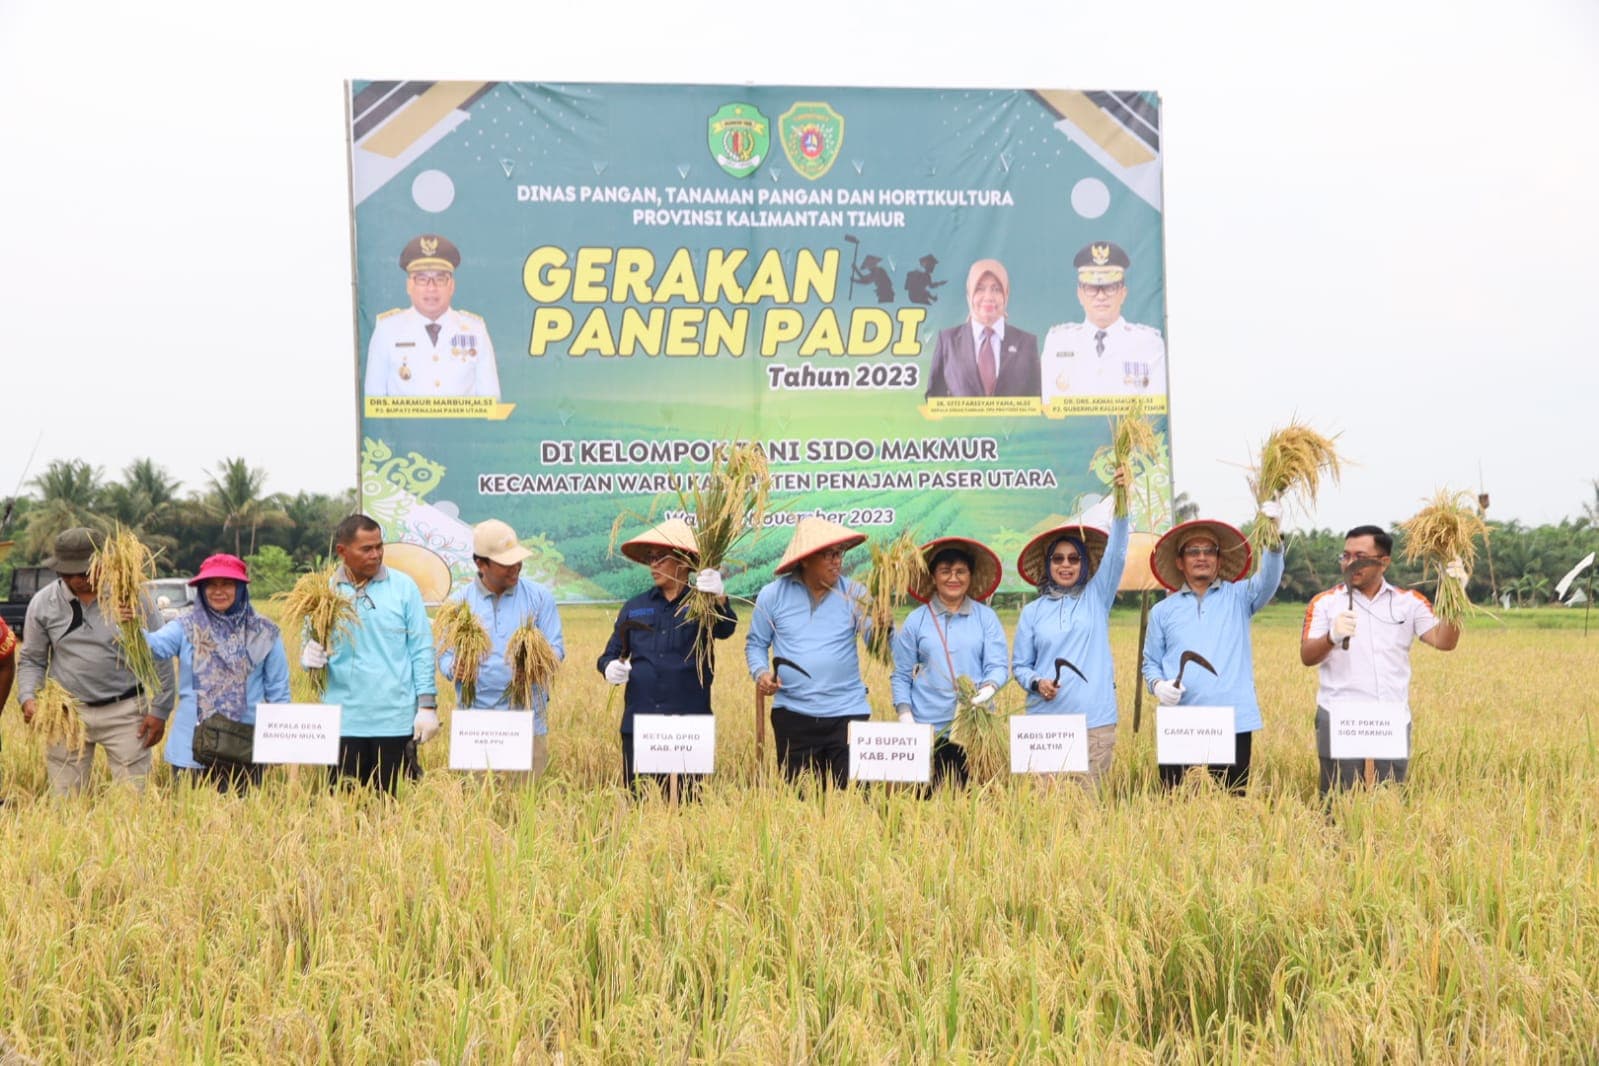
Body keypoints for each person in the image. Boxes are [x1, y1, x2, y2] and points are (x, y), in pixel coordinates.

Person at [1300, 525, 1464, 793]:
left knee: (1387, 800)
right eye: (1346, 556)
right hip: (1341, 714)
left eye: (1360, 556)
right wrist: (1331, 636)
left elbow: (1445, 641)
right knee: (1338, 800)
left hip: (1390, 715)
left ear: (1384, 562)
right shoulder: (1325, 603)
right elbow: (1307, 656)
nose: (1351, 563)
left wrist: (1455, 595)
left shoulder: (1408, 603)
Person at [16, 528, 175, 795]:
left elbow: (160, 652)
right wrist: (28, 697)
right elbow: (32, 659)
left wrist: (160, 709)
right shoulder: (43, 604)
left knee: (135, 800)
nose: (77, 580)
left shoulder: (132, 598)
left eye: (84, 572)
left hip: (124, 711)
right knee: (65, 799)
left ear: (103, 562)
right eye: (68, 574)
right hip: (66, 714)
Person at [1141, 505, 1283, 792]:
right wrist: (1157, 685)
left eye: (1209, 550)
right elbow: (1150, 663)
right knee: (1176, 803)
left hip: (1233, 720)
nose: (1202, 557)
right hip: (1181, 721)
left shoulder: (1240, 596)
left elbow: (1269, 579)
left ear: (1219, 559)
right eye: (1193, 551)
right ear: (1180, 562)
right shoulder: (1162, 611)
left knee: (1231, 803)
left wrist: (1274, 538)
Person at [1011, 467, 1132, 788]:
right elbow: (1020, 667)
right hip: (1044, 727)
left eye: (1073, 559)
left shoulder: (1096, 597)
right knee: (1044, 819)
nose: (1065, 565)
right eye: (1058, 559)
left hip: (1094, 725)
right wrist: (1038, 683)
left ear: (1085, 565)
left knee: (1088, 820)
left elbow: (1118, 553)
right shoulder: (1032, 612)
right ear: (1048, 565)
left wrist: (1122, 502)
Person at [597, 518, 736, 791]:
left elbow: (725, 628)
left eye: (661, 558)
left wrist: (719, 597)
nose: (653, 565)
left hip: (688, 726)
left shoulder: (702, 604)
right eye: (651, 558)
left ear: (683, 562)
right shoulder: (635, 607)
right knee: (639, 804)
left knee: (688, 807)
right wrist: (609, 667)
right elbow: (609, 654)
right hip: (641, 724)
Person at [300, 515, 436, 793]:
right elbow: (308, 642)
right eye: (366, 549)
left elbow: (421, 648)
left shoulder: (403, 587)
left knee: (393, 806)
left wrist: (427, 706)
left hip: (394, 719)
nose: (376, 555)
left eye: (379, 546)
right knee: (345, 807)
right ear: (342, 551)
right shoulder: (323, 593)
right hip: (342, 720)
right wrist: (308, 657)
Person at [141, 554, 290, 792]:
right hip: (191, 748)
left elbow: (278, 692)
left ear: (240, 588)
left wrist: (279, 743)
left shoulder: (264, 632)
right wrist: (128, 628)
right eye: (211, 584)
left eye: (227, 584)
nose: (218, 591)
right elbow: (153, 649)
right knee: (189, 824)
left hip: (245, 747)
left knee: (244, 823)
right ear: (201, 589)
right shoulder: (185, 626)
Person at [746, 516, 874, 788]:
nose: (836, 561)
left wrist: (884, 626)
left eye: (839, 553)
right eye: (828, 554)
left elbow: (877, 644)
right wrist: (761, 673)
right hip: (793, 714)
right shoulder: (773, 595)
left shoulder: (855, 594)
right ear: (805, 559)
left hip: (847, 712)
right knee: (800, 802)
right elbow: (756, 643)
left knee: (854, 801)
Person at [438, 519, 565, 776]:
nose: (515, 568)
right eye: (506, 563)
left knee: (526, 805)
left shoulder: (539, 597)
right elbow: (444, 655)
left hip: (527, 721)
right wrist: (455, 667)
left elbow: (557, 648)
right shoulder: (458, 604)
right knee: (475, 808)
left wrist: (535, 665)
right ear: (480, 564)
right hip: (476, 724)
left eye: (518, 561)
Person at [889, 537, 1008, 790]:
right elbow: (901, 674)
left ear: (970, 576)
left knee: (976, 798)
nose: (953, 578)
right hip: (928, 727)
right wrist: (904, 713)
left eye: (960, 571)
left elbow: (997, 665)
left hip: (974, 727)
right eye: (945, 571)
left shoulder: (986, 618)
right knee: (926, 801)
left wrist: (988, 689)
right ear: (933, 576)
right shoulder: (916, 620)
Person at [363, 233, 501, 399]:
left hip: (462, 426)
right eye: (422, 279)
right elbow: (373, 402)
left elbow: (491, 402)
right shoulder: (387, 330)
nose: (431, 288)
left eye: (440, 279)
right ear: (409, 285)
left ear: (451, 285)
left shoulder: (475, 330)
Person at [1040, 242, 1167, 401]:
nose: (1101, 296)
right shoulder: (1058, 341)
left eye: (1110, 287)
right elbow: (1048, 405)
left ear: (1123, 293)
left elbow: (1157, 407)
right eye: (1092, 288)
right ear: (1080, 294)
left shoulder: (1149, 343)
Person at [925, 259, 1041, 399]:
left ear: (1006, 294)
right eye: (979, 288)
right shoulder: (947, 341)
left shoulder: (1027, 343)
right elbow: (933, 401)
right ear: (969, 294)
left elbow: (1037, 401)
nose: (988, 297)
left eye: (996, 289)